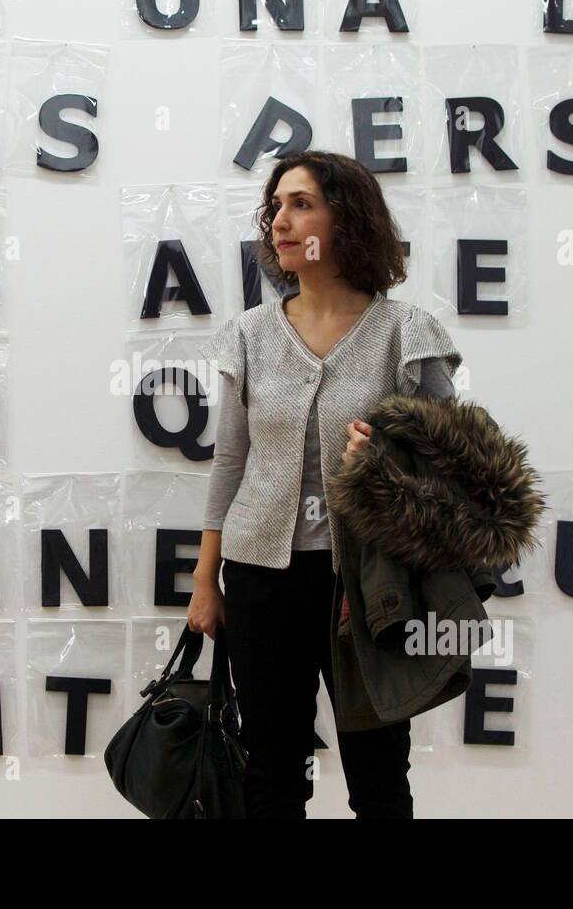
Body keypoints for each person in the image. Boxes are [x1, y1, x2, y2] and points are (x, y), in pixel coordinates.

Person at [187, 150, 462, 819]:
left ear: (348, 220)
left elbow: (455, 462)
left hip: (369, 587)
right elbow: (231, 461)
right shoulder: (250, 335)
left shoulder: (406, 333)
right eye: (275, 206)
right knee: (272, 773)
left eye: (301, 204)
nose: (280, 220)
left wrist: (391, 455)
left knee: (377, 778)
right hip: (261, 580)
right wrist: (205, 580)